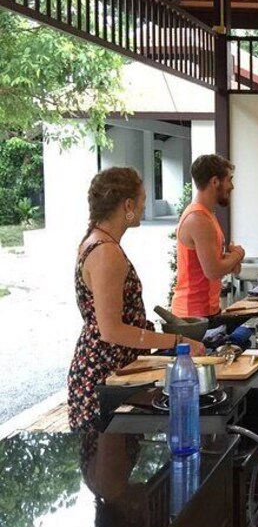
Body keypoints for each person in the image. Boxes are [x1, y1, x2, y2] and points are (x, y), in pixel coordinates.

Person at [68, 168, 205, 431]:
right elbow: (111, 330)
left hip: (113, 370)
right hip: (104, 374)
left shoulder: (99, 242)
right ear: (127, 205)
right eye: (142, 200)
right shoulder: (106, 252)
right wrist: (179, 342)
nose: (144, 207)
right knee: (112, 466)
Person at [171, 154, 245, 319]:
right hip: (192, 317)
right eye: (229, 180)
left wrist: (232, 260)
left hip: (206, 311)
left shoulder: (207, 215)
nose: (231, 186)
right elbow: (213, 270)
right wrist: (238, 255)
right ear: (215, 182)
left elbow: (212, 263)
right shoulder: (198, 219)